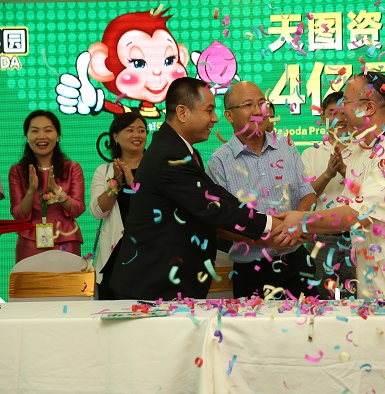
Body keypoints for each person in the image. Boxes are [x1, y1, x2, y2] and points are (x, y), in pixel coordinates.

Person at [274, 71, 385, 300]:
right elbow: (346, 211)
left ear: (369, 108)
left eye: (346, 102)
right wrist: (302, 228)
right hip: (376, 282)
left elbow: (360, 214)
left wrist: (302, 222)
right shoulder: (359, 150)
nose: (341, 110)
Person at [109, 77, 278, 300]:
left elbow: (214, 193)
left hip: (167, 284)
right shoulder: (169, 155)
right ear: (182, 112)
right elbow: (212, 206)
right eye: (209, 110)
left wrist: (265, 219)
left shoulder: (180, 149)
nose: (215, 118)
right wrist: (270, 224)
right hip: (152, 287)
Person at [206, 81, 317, 299]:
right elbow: (217, 223)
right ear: (229, 115)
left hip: (296, 262)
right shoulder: (219, 161)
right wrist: (260, 239)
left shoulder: (286, 145)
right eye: (248, 105)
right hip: (251, 271)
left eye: (262, 103)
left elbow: (308, 193)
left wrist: (298, 223)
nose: (258, 111)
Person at [8, 110, 85, 262]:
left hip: (66, 240)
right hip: (30, 242)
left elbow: (78, 209)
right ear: (27, 137)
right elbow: (18, 215)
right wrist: (31, 191)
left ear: (58, 136)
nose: (41, 136)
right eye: (35, 131)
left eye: (48, 130)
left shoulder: (72, 168)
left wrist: (58, 192)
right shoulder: (17, 171)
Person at [301, 91, 355, 299]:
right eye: (332, 113)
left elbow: (369, 192)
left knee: (355, 297)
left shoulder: (364, 150)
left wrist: (344, 171)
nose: (339, 118)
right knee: (320, 298)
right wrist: (328, 174)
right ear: (323, 117)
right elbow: (306, 196)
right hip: (321, 236)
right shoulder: (311, 153)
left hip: (356, 236)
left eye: (343, 112)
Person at [89, 113, 148, 300]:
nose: (137, 135)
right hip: (113, 257)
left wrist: (133, 183)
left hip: (149, 254)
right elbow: (98, 211)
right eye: (129, 130)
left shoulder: (155, 168)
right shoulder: (104, 171)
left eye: (141, 130)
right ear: (115, 136)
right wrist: (115, 183)